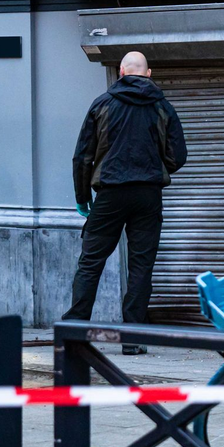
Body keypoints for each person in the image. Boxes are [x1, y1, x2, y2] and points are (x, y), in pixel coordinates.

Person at [64, 51, 187, 354]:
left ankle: (75, 332)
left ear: (120, 72)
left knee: (91, 262)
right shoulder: (162, 106)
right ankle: (132, 339)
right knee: (141, 266)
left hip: (110, 193)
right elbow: (178, 156)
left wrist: (83, 198)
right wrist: (154, 167)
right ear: (148, 74)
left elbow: (82, 156)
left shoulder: (102, 104)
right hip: (148, 194)